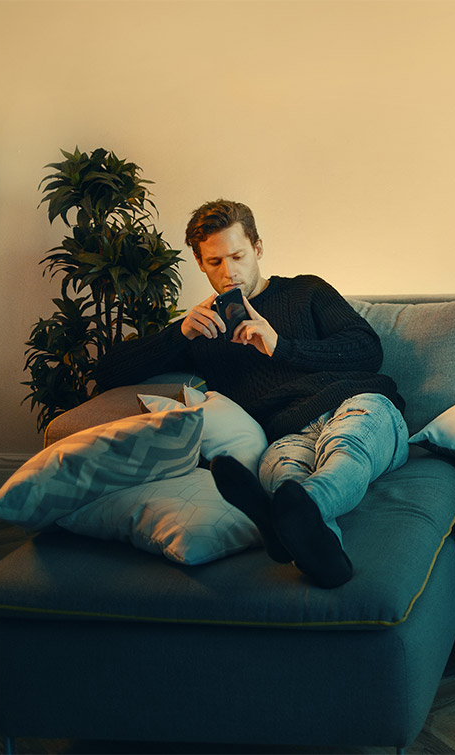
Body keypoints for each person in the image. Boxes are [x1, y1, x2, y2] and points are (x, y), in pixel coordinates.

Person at [95, 199, 408, 587]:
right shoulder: (202, 329)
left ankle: (283, 519)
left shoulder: (306, 291)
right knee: (281, 475)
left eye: (238, 256)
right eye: (215, 262)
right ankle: (327, 559)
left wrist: (281, 346)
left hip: (357, 404)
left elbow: (368, 350)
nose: (229, 272)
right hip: (283, 432)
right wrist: (179, 333)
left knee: (345, 449)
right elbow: (107, 373)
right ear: (200, 263)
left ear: (257, 249)